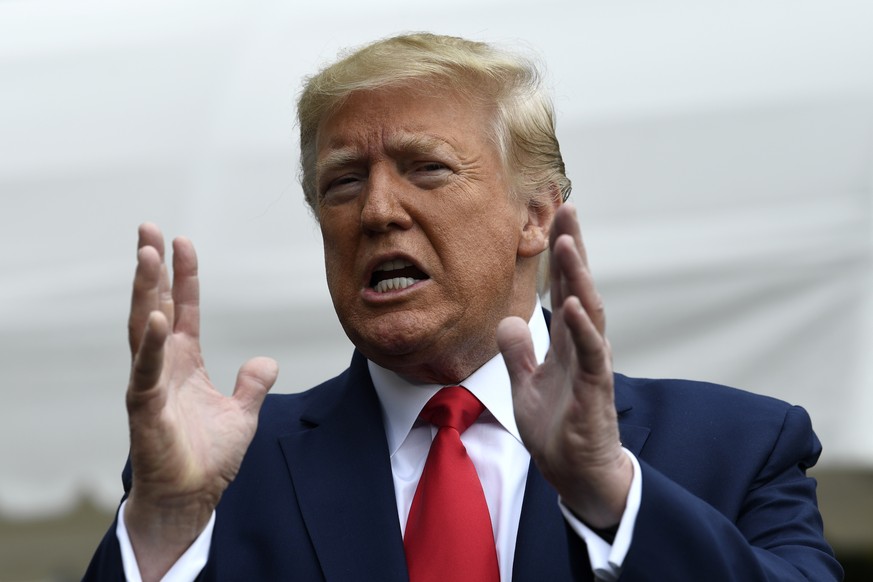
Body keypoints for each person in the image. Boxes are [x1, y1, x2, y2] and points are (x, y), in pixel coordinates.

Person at [84, 33, 842, 581]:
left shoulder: (733, 447)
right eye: (343, 183)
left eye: (426, 169)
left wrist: (611, 493)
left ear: (534, 216)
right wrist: (162, 530)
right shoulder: (221, 476)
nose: (377, 209)